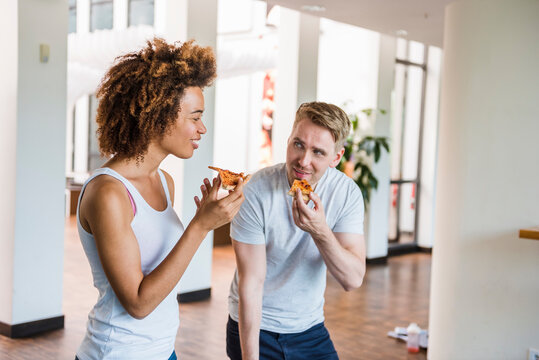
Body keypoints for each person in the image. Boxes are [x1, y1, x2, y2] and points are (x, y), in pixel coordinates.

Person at [75, 38, 245, 360]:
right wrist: (200, 226)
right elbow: (138, 303)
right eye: (194, 117)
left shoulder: (164, 182)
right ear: (159, 115)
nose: (202, 128)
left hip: (163, 351)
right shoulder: (109, 193)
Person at [226, 102, 366, 360]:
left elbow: (352, 279)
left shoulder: (346, 194)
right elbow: (251, 284)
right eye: (298, 144)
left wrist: (320, 230)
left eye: (318, 152)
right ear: (288, 140)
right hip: (254, 326)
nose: (304, 161)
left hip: (309, 328)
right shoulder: (254, 191)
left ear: (336, 157)